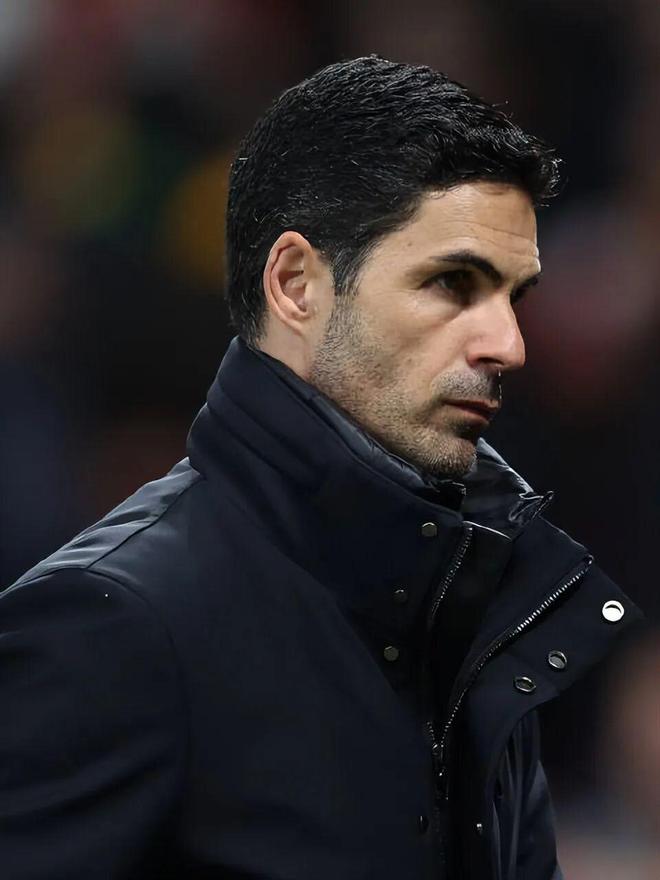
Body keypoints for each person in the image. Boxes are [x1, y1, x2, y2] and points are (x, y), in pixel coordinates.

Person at [0, 56, 642, 880]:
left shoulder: (479, 615)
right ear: (297, 284)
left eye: (513, 297)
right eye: (453, 283)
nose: (508, 344)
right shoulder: (112, 625)